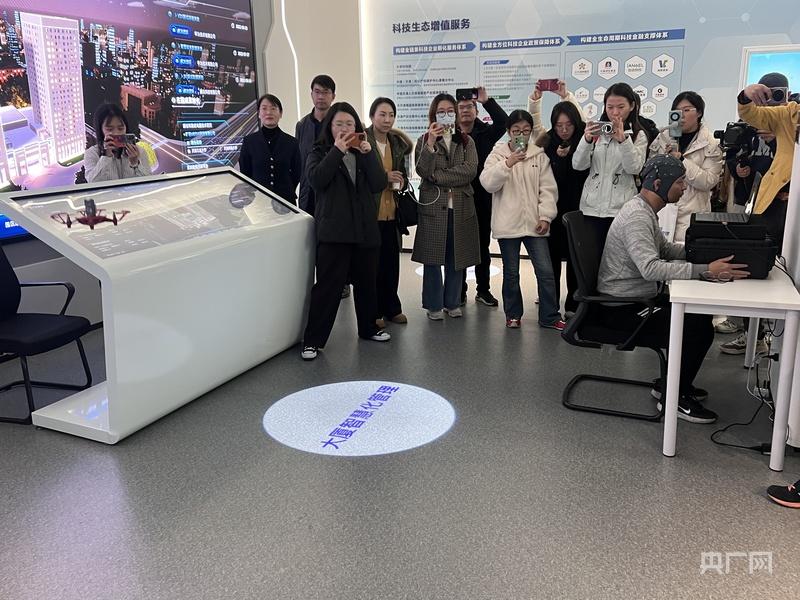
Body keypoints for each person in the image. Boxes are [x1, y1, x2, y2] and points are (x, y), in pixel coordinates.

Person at [597, 154, 749, 423]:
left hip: (638, 299)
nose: (684, 187)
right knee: (696, 329)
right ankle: (674, 396)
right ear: (658, 184)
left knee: (698, 318)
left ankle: (670, 384)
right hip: (621, 309)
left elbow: (664, 249)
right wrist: (705, 270)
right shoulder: (637, 216)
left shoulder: (644, 210)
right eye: (680, 182)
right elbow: (651, 268)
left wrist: (704, 253)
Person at [300, 102, 389, 360]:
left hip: (364, 228)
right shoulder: (319, 151)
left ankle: (369, 328)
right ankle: (312, 340)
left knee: (367, 283)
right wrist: (337, 151)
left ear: (357, 126)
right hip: (334, 231)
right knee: (328, 287)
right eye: (339, 123)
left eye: (350, 124)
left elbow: (378, 183)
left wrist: (369, 154)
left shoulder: (362, 151)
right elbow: (316, 180)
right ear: (330, 126)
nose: (345, 128)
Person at [480, 110, 563, 330]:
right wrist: (508, 163)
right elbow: (487, 183)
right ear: (508, 132)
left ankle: (550, 316)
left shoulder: (538, 155)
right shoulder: (498, 155)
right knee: (511, 273)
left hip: (535, 224)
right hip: (508, 224)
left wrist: (546, 216)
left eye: (526, 131)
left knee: (545, 272)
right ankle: (513, 314)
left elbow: (548, 189)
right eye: (516, 131)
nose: (521, 135)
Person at [413, 93, 479, 320]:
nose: (447, 115)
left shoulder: (467, 141)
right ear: (434, 115)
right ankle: (433, 305)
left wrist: (438, 176)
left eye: (451, 111)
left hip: (460, 205)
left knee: (457, 257)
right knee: (432, 258)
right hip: (434, 207)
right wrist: (431, 144)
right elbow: (423, 170)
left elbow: (469, 171)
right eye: (441, 111)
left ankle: (452, 302)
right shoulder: (424, 140)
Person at [531, 85, 589, 318]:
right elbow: (535, 128)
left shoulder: (585, 141)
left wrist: (566, 95)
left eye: (569, 125)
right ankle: (550, 305)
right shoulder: (548, 142)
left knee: (576, 262)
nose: (564, 130)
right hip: (552, 211)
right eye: (559, 125)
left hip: (579, 211)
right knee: (551, 260)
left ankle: (573, 305)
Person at [572, 82, 649, 244]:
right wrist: (586, 140)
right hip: (591, 208)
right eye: (610, 107)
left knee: (616, 255)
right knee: (591, 255)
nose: (615, 112)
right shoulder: (597, 131)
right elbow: (578, 165)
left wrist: (623, 141)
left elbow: (634, 168)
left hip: (621, 209)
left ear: (632, 106)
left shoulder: (638, 135)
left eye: (621, 107)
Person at [457, 86, 508, 307]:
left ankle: (483, 290)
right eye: (461, 107)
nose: (465, 110)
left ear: (476, 111)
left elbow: (504, 122)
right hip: (457, 197)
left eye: (470, 106)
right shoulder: (449, 133)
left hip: (481, 198)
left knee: (481, 247)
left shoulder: (485, 132)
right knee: (458, 247)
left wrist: (487, 101)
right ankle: (458, 291)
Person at [649, 91, 723, 242]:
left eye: (687, 110)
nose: (681, 115)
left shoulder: (710, 143)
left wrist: (681, 160)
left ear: (699, 113)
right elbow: (650, 173)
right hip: (663, 210)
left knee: (686, 254)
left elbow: (708, 181)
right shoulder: (663, 137)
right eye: (677, 111)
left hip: (692, 214)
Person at [737, 72, 799, 253]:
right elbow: (750, 113)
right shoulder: (788, 113)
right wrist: (746, 95)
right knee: (767, 255)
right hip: (777, 203)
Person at [365, 97, 413, 328]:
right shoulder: (362, 141)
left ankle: (392, 308)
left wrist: (401, 182)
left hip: (392, 212)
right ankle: (373, 311)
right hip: (371, 213)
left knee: (391, 264)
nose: (387, 119)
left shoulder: (397, 144)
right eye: (382, 114)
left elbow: (403, 173)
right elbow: (360, 178)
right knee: (371, 267)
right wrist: (384, 178)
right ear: (372, 116)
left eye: (391, 115)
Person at [238, 93, 302, 204]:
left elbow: (297, 172)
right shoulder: (249, 141)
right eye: (264, 108)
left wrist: (286, 189)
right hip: (258, 201)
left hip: (285, 202)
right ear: (259, 113)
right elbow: (245, 172)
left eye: (273, 108)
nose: (268, 112)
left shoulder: (292, 142)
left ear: (280, 113)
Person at [295, 74, 336, 215]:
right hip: (308, 192)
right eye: (317, 92)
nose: (321, 96)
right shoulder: (302, 125)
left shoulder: (339, 124)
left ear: (333, 96)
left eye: (326, 92)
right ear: (311, 94)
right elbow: (299, 161)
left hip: (333, 191)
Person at [84, 103, 152, 182]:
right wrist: (106, 156)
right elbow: (93, 182)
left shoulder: (139, 151)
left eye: (120, 128)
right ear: (101, 130)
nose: (116, 133)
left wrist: (135, 163)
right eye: (109, 129)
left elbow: (148, 182)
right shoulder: (92, 153)